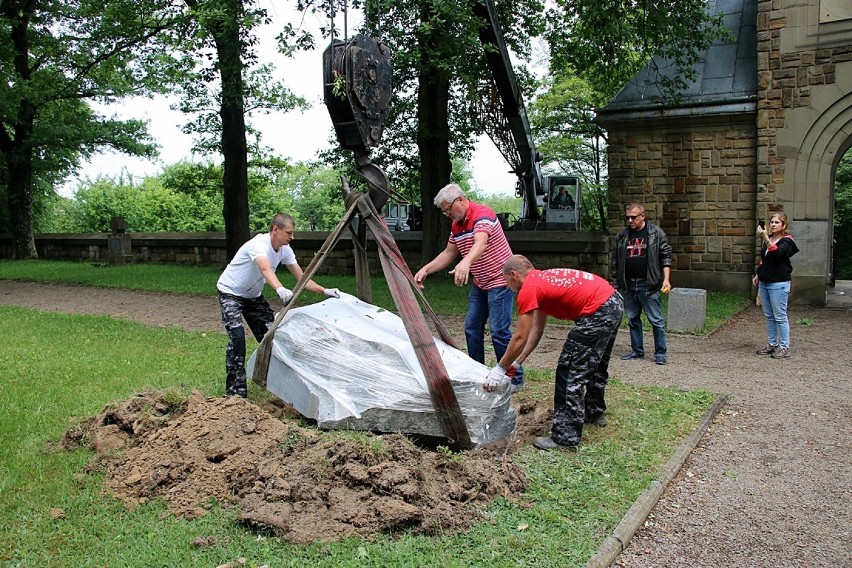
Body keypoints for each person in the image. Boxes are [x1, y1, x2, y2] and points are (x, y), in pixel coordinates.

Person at [484, 255, 623, 451]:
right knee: (595, 364)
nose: (507, 287)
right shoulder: (541, 282)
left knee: (569, 373)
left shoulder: (528, 290)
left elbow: (519, 337)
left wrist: (500, 368)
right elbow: (536, 330)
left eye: (506, 281)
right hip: (613, 302)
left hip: (597, 312)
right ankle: (594, 412)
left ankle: (566, 437)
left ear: (514, 275)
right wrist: (518, 362)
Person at [216, 213, 340, 397]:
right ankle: (235, 396)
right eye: (289, 233)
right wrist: (280, 289)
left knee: (273, 336)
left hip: (253, 297)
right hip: (230, 293)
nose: (292, 237)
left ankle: (285, 388)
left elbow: (303, 278)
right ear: (275, 229)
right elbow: (265, 268)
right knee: (237, 339)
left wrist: (324, 291)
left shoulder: (285, 249)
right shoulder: (259, 244)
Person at [414, 183, 524, 389]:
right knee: (472, 328)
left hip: (501, 282)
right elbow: (448, 253)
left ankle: (514, 379)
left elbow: (480, 243)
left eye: (448, 209)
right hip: (481, 284)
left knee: (499, 331)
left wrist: (466, 262)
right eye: (444, 211)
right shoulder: (456, 225)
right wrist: (426, 269)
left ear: (460, 200)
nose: (447, 214)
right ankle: (478, 372)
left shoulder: (482, 214)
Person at [610, 202, 672, 365]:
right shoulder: (622, 236)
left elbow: (665, 256)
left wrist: (666, 279)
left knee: (656, 320)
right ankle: (637, 350)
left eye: (633, 217)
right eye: (628, 218)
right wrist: (615, 283)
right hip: (629, 285)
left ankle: (660, 352)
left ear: (642, 216)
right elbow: (615, 262)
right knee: (632, 318)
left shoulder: (655, 233)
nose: (630, 220)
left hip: (649, 284)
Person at [753, 212, 799, 359]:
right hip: (765, 282)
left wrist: (765, 237)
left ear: (783, 225)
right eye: (772, 222)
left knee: (780, 316)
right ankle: (772, 344)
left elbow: (778, 254)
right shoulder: (769, 239)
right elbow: (765, 259)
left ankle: (784, 347)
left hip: (779, 283)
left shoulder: (787, 241)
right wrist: (759, 274)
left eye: (777, 222)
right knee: (769, 316)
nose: (773, 224)